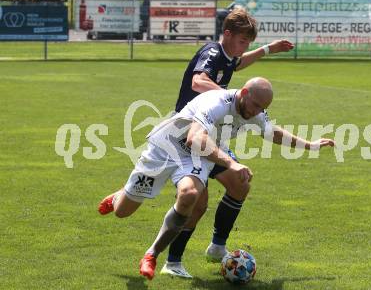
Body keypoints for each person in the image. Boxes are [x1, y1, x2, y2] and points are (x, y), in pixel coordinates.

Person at [98, 77, 335, 281]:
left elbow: (272, 132)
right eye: (255, 105)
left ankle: (152, 254)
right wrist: (231, 163)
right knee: (122, 211)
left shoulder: (255, 110)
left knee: (190, 195)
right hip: (166, 147)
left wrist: (310, 145)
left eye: (262, 108)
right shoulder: (217, 103)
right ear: (244, 93)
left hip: (198, 157)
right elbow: (194, 138)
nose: (256, 112)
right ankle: (121, 194)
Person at [160, 8, 294, 278]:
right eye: (243, 41)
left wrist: (268, 49)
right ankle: (171, 262)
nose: (246, 46)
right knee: (197, 203)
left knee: (239, 182)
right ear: (228, 34)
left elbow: (239, 63)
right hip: (189, 134)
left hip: (212, 133)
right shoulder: (212, 53)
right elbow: (199, 81)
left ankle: (217, 247)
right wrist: (230, 98)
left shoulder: (228, 56)